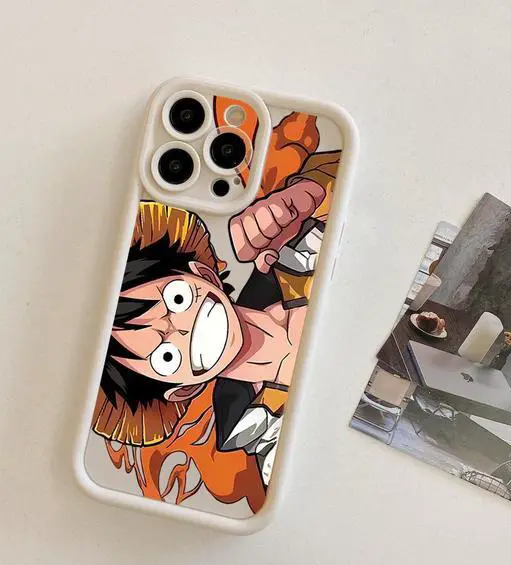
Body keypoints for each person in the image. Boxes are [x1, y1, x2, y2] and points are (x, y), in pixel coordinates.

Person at [93, 150, 340, 486]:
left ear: (205, 274)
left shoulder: (297, 254)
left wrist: (310, 194)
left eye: (176, 299)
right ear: (183, 390)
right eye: (166, 356)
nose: (176, 328)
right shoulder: (258, 433)